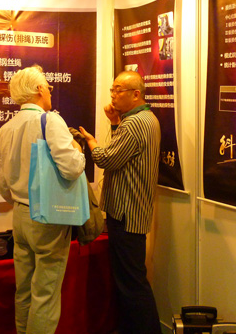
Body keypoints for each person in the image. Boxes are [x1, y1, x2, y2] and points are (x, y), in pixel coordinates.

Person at [0, 65, 85, 334]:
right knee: (45, 293)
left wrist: (20, 200)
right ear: (38, 89)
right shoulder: (51, 121)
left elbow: (3, 186)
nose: (50, 91)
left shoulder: (6, 128)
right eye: (48, 86)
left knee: (23, 289)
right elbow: (71, 168)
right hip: (48, 215)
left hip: (20, 215)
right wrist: (78, 150)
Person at [79, 70, 161, 334]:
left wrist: (91, 142)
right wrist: (115, 123)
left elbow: (106, 159)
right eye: (112, 90)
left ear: (136, 94)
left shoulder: (134, 123)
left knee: (132, 283)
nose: (113, 95)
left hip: (127, 214)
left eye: (118, 90)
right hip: (133, 211)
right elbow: (121, 154)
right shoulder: (145, 119)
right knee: (128, 280)